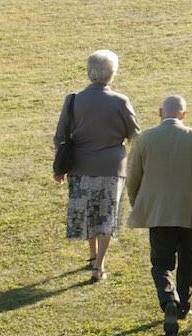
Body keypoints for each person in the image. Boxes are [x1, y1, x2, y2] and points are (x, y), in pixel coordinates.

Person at [125, 94, 192, 336]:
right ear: (184, 115)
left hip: (157, 212)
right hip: (189, 212)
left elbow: (133, 178)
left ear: (160, 113)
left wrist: (139, 204)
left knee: (161, 263)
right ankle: (183, 306)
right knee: (188, 261)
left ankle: (169, 299)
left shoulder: (144, 138)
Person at [52, 50, 140, 284]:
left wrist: (59, 168)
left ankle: (92, 255)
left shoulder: (73, 99)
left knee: (89, 214)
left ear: (89, 72)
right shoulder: (120, 101)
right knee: (106, 216)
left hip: (80, 167)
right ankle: (99, 264)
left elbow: (60, 136)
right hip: (112, 167)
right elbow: (135, 135)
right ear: (112, 73)